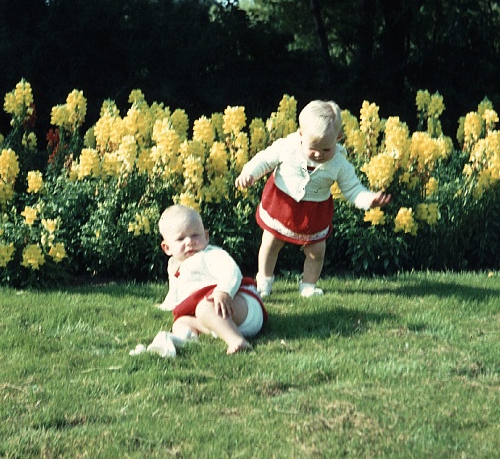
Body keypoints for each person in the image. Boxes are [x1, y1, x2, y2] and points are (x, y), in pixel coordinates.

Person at [234, 100, 392, 298]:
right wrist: (249, 174)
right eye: (313, 148)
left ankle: (308, 285)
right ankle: (264, 281)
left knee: (316, 251)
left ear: (338, 138)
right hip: (282, 204)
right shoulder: (287, 147)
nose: (319, 154)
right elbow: (264, 160)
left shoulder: (339, 163)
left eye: (326, 149)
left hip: (314, 211)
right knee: (270, 242)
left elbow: (352, 188)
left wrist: (369, 200)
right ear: (301, 135)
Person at [152, 204, 267, 355]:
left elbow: (232, 271)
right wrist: (167, 305)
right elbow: (175, 291)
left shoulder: (210, 255)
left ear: (206, 236)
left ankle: (236, 340)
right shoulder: (174, 265)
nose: (189, 242)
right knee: (181, 321)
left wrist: (224, 291)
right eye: (180, 239)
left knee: (203, 308)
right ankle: (186, 339)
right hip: (219, 316)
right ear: (167, 248)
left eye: (195, 235)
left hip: (243, 307)